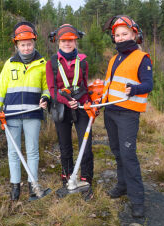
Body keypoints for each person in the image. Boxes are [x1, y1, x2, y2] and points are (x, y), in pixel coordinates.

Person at [0, 21, 50, 201]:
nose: (26, 48)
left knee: (32, 151)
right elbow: (0, 88)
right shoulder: (9, 65)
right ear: (16, 45)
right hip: (11, 115)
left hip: (33, 113)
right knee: (13, 152)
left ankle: (33, 187)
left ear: (34, 43)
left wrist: (46, 97)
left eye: (29, 44)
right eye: (23, 45)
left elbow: (48, 87)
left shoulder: (42, 64)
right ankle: (15, 187)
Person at [102, 15, 153, 218]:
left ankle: (137, 200)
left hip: (128, 115)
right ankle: (122, 186)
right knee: (117, 152)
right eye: (117, 35)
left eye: (125, 34)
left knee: (129, 156)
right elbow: (109, 85)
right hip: (111, 112)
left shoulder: (142, 58)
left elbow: (148, 85)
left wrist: (134, 89)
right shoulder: (114, 59)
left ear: (134, 34)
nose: (121, 38)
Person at [46, 24, 94, 201]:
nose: (67, 43)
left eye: (71, 40)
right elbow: (52, 90)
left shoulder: (83, 61)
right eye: (64, 40)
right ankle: (67, 176)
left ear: (76, 40)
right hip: (61, 107)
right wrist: (67, 101)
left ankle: (86, 179)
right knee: (65, 146)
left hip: (82, 107)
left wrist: (89, 104)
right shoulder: (51, 63)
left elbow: (85, 85)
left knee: (86, 146)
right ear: (58, 42)